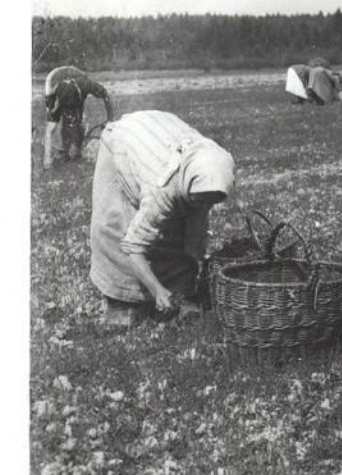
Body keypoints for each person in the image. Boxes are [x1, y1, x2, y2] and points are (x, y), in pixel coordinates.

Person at [89, 110, 235, 327]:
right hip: (125, 141)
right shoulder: (162, 189)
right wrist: (157, 291)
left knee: (175, 223)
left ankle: (178, 291)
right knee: (117, 223)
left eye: (210, 201)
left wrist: (198, 256)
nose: (205, 205)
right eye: (201, 199)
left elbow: (195, 222)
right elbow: (132, 248)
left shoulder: (213, 166)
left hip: (162, 131)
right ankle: (122, 301)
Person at [42, 65, 115, 169]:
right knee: (55, 126)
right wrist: (47, 160)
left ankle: (77, 150)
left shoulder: (86, 84)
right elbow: (49, 128)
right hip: (57, 87)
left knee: (77, 122)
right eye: (67, 109)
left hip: (76, 85)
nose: (70, 113)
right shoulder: (51, 90)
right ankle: (62, 150)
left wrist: (110, 119)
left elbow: (106, 95)